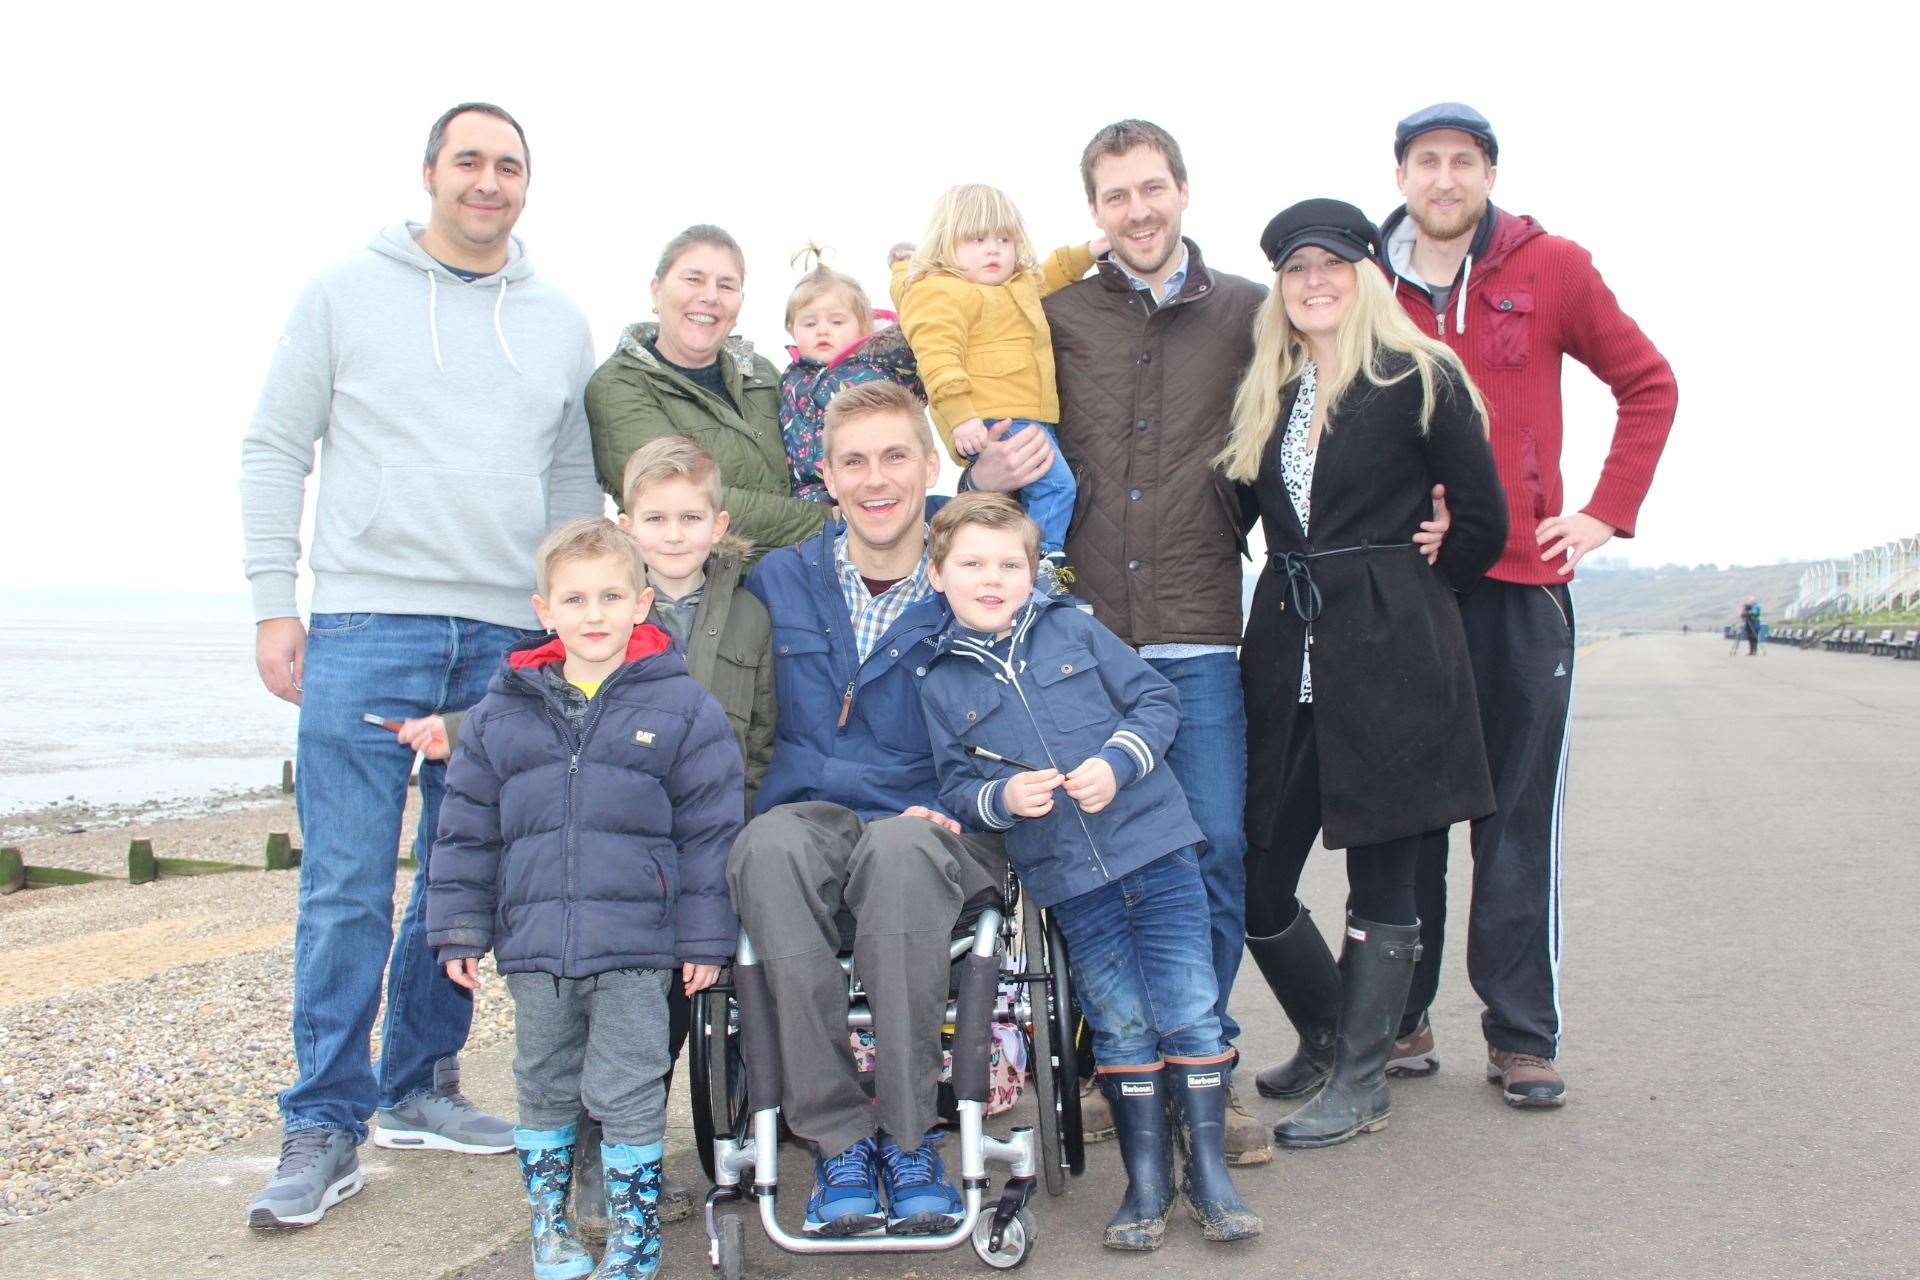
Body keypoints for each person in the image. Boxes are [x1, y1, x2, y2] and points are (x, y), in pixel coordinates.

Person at [239, 101, 602, 1229]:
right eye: (470, 162)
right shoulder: (343, 291)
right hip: (364, 622)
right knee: (347, 883)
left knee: (466, 882)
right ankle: (322, 1121)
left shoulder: (555, 321)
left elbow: (567, 487)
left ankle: (417, 1083)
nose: (488, 182)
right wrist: (271, 602)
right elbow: (273, 445)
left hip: (504, 632)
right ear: (431, 173)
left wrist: (561, 629)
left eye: (509, 166)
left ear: (526, 185)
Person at [1381, 103, 1679, 1105]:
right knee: (1411, 816)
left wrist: (1603, 512)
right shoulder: (1364, 281)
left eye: (1463, 161)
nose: (1445, 178)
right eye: (1427, 162)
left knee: (1513, 818)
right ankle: (1399, 1014)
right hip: (1405, 591)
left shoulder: (1551, 267)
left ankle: (1520, 1030)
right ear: (1402, 176)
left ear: (1488, 173)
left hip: (1521, 583)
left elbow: (1647, 382)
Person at [402, 435, 775, 1233]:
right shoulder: (546, 661)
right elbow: (513, 766)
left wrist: (722, 899)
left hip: (672, 876)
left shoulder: (747, 612)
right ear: (629, 528)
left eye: (689, 516)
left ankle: (644, 1185)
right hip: (565, 905)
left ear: (718, 523)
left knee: (645, 1054)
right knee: (555, 1061)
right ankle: (574, 1195)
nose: (673, 532)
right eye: (655, 517)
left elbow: (756, 746)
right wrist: (454, 731)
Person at [1230, 199, 1509, 1149]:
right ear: (1280, 287)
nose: (1314, 281)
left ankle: (1364, 1073)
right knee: (1258, 867)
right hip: (1288, 652)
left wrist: (1413, 582)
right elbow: (1238, 518)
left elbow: (1481, 522)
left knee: (1388, 874)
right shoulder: (1269, 385)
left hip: (1392, 650)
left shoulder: (1421, 376)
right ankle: (1324, 1032)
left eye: (1333, 263)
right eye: (1296, 268)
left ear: (1365, 274)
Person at [919, 492, 1261, 1250]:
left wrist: (1116, 763)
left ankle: (1209, 1177)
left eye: (1011, 563)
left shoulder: (1072, 626)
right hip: (1070, 879)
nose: (993, 577)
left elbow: (1156, 701)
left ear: (1034, 570)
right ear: (937, 574)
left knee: (1190, 1004)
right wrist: (1003, 796)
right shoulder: (939, 680)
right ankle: (1147, 1185)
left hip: (1157, 846)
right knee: (1119, 1019)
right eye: (972, 563)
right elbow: (954, 788)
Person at [730, 380, 1006, 1237]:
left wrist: (965, 798)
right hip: (808, 816)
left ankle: (908, 1134)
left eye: (896, 456)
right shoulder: (779, 579)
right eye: (855, 460)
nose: (876, 478)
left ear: (931, 466)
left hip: (934, 825)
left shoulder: (975, 577)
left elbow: (1035, 700)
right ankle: (838, 1139)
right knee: (764, 850)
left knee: (899, 853)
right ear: (826, 475)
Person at [892, 184, 1106, 590]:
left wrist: (1087, 253)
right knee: (1058, 486)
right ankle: (1041, 568)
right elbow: (938, 357)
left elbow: (1051, 273)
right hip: (996, 413)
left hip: (1029, 412)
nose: (993, 250)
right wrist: (962, 417)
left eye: (1003, 240)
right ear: (945, 243)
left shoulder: (1015, 287)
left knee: (1025, 499)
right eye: (976, 240)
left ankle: (1016, 562)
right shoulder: (941, 293)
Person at [586, 225, 830, 555]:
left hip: (796, 576)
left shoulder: (763, 373)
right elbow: (682, 502)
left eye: (726, 285)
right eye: (693, 279)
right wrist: (830, 520)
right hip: (699, 593)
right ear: (656, 291)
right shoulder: (619, 387)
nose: (711, 296)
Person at [778, 247, 925, 503]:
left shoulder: (875, 369)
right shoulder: (791, 379)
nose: (822, 330)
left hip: (869, 486)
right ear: (792, 329)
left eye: (837, 322)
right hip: (806, 497)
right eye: (810, 323)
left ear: (863, 325)